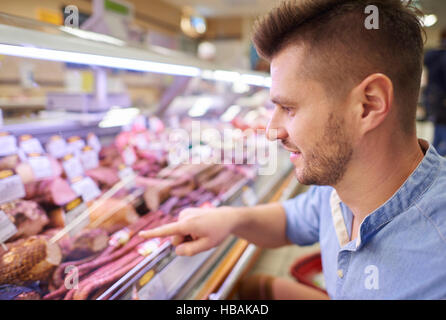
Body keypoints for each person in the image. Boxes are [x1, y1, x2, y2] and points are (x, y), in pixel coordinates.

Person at [140, 0, 446, 299]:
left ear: (368, 105)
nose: (272, 131)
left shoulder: (434, 267)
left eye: (289, 107)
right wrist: (230, 220)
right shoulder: (342, 186)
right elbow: (291, 220)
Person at [423, 29, 446, 156]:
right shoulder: (443, 57)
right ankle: (432, 163)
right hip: (443, 100)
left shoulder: (432, 55)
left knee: (437, 136)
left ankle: (429, 160)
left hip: (432, 98)